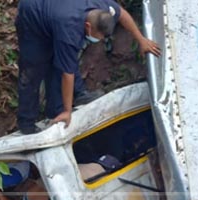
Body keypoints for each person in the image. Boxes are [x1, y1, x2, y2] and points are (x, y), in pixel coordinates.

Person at [14, 0, 161, 134]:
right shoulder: (69, 29)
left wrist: (141, 40)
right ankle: (27, 122)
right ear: (88, 26)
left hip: (56, 10)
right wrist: (67, 111)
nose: (99, 40)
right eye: (98, 36)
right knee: (34, 68)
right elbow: (67, 73)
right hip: (32, 17)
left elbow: (122, 14)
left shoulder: (103, 7)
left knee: (64, 57)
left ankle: (72, 97)